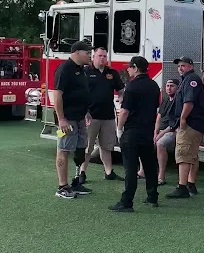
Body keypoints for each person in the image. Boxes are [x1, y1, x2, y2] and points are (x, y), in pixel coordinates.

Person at [109, 56, 160, 213]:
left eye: (130, 67)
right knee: (150, 166)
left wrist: (119, 129)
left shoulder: (131, 86)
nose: (128, 69)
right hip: (147, 131)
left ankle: (127, 202)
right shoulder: (154, 86)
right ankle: (152, 197)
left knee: (130, 169)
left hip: (132, 132)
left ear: (136, 68)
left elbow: (124, 111)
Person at [76, 47, 124, 185]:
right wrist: (84, 111)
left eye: (104, 56)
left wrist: (122, 98)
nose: (102, 58)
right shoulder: (86, 72)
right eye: (99, 56)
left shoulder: (112, 73)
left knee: (107, 146)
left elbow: (121, 89)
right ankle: (82, 173)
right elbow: (79, 93)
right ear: (93, 57)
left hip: (108, 116)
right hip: (90, 116)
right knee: (88, 147)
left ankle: (108, 172)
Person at [53, 41, 92, 199]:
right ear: (77, 52)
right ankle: (62, 186)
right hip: (67, 119)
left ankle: (76, 182)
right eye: (87, 52)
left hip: (80, 117)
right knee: (63, 149)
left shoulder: (81, 70)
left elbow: (82, 92)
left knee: (80, 149)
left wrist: (86, 112)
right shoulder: (64, 69)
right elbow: (57, 95)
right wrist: (61, 119)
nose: (89, 55)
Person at [166, 56, 204, 200]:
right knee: (192, 155)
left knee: (183, 153)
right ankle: (190, 184)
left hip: (190, 123)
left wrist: (183, 118)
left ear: (191, 66)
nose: (180, 68)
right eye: (179, 66)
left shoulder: (191, 80)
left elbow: (189, 102)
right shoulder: (188, 79)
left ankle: (182, 187)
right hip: (194, 123)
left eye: (183, 66)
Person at [154, 77, 179, 185]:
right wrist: (155, 132)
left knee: (160, 144)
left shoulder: (179, 101)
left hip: (172, 131)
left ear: (177, 88)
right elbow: (159, 118)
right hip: (161, 131)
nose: (169, 88)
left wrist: (159, 135)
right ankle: (142, 171)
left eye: (172, 86)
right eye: (167, 86)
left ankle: (161, 176)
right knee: (143, 140)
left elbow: (174, 124)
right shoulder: (164, 100)